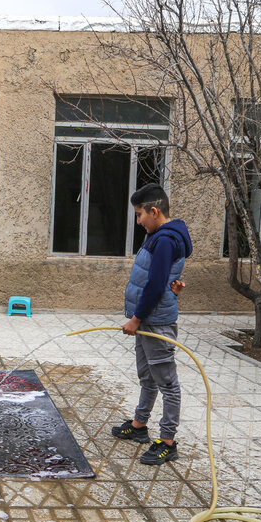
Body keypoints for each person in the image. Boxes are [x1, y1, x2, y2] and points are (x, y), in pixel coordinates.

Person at [112, 183, 193, 465]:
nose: (138, 221)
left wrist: (136, 318)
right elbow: (164, 277)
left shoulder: (166, 240)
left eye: (139, 215)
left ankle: (168, 441)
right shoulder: (158, 235)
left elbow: (156, 283)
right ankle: (139, 426)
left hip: (155, 322)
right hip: (149, 318)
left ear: (154, 211)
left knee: (167, 383)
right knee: (147, 377)